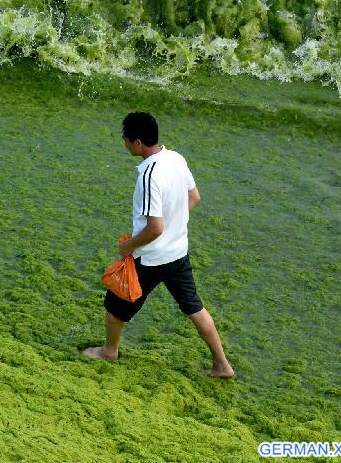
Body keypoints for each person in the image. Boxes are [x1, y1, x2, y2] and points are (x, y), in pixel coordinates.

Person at [83, 112, 235, 379]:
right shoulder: (176, 158)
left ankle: (109, 351)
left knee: (115, 304)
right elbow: (194, 197)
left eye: (125, 139)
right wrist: (174, 224)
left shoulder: (149, 174)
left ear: (138, 142)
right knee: (194, 308)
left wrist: (127, 246)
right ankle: (222, 364)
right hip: (178, 252)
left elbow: (154, 228)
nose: (124, 143)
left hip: (151, 258)